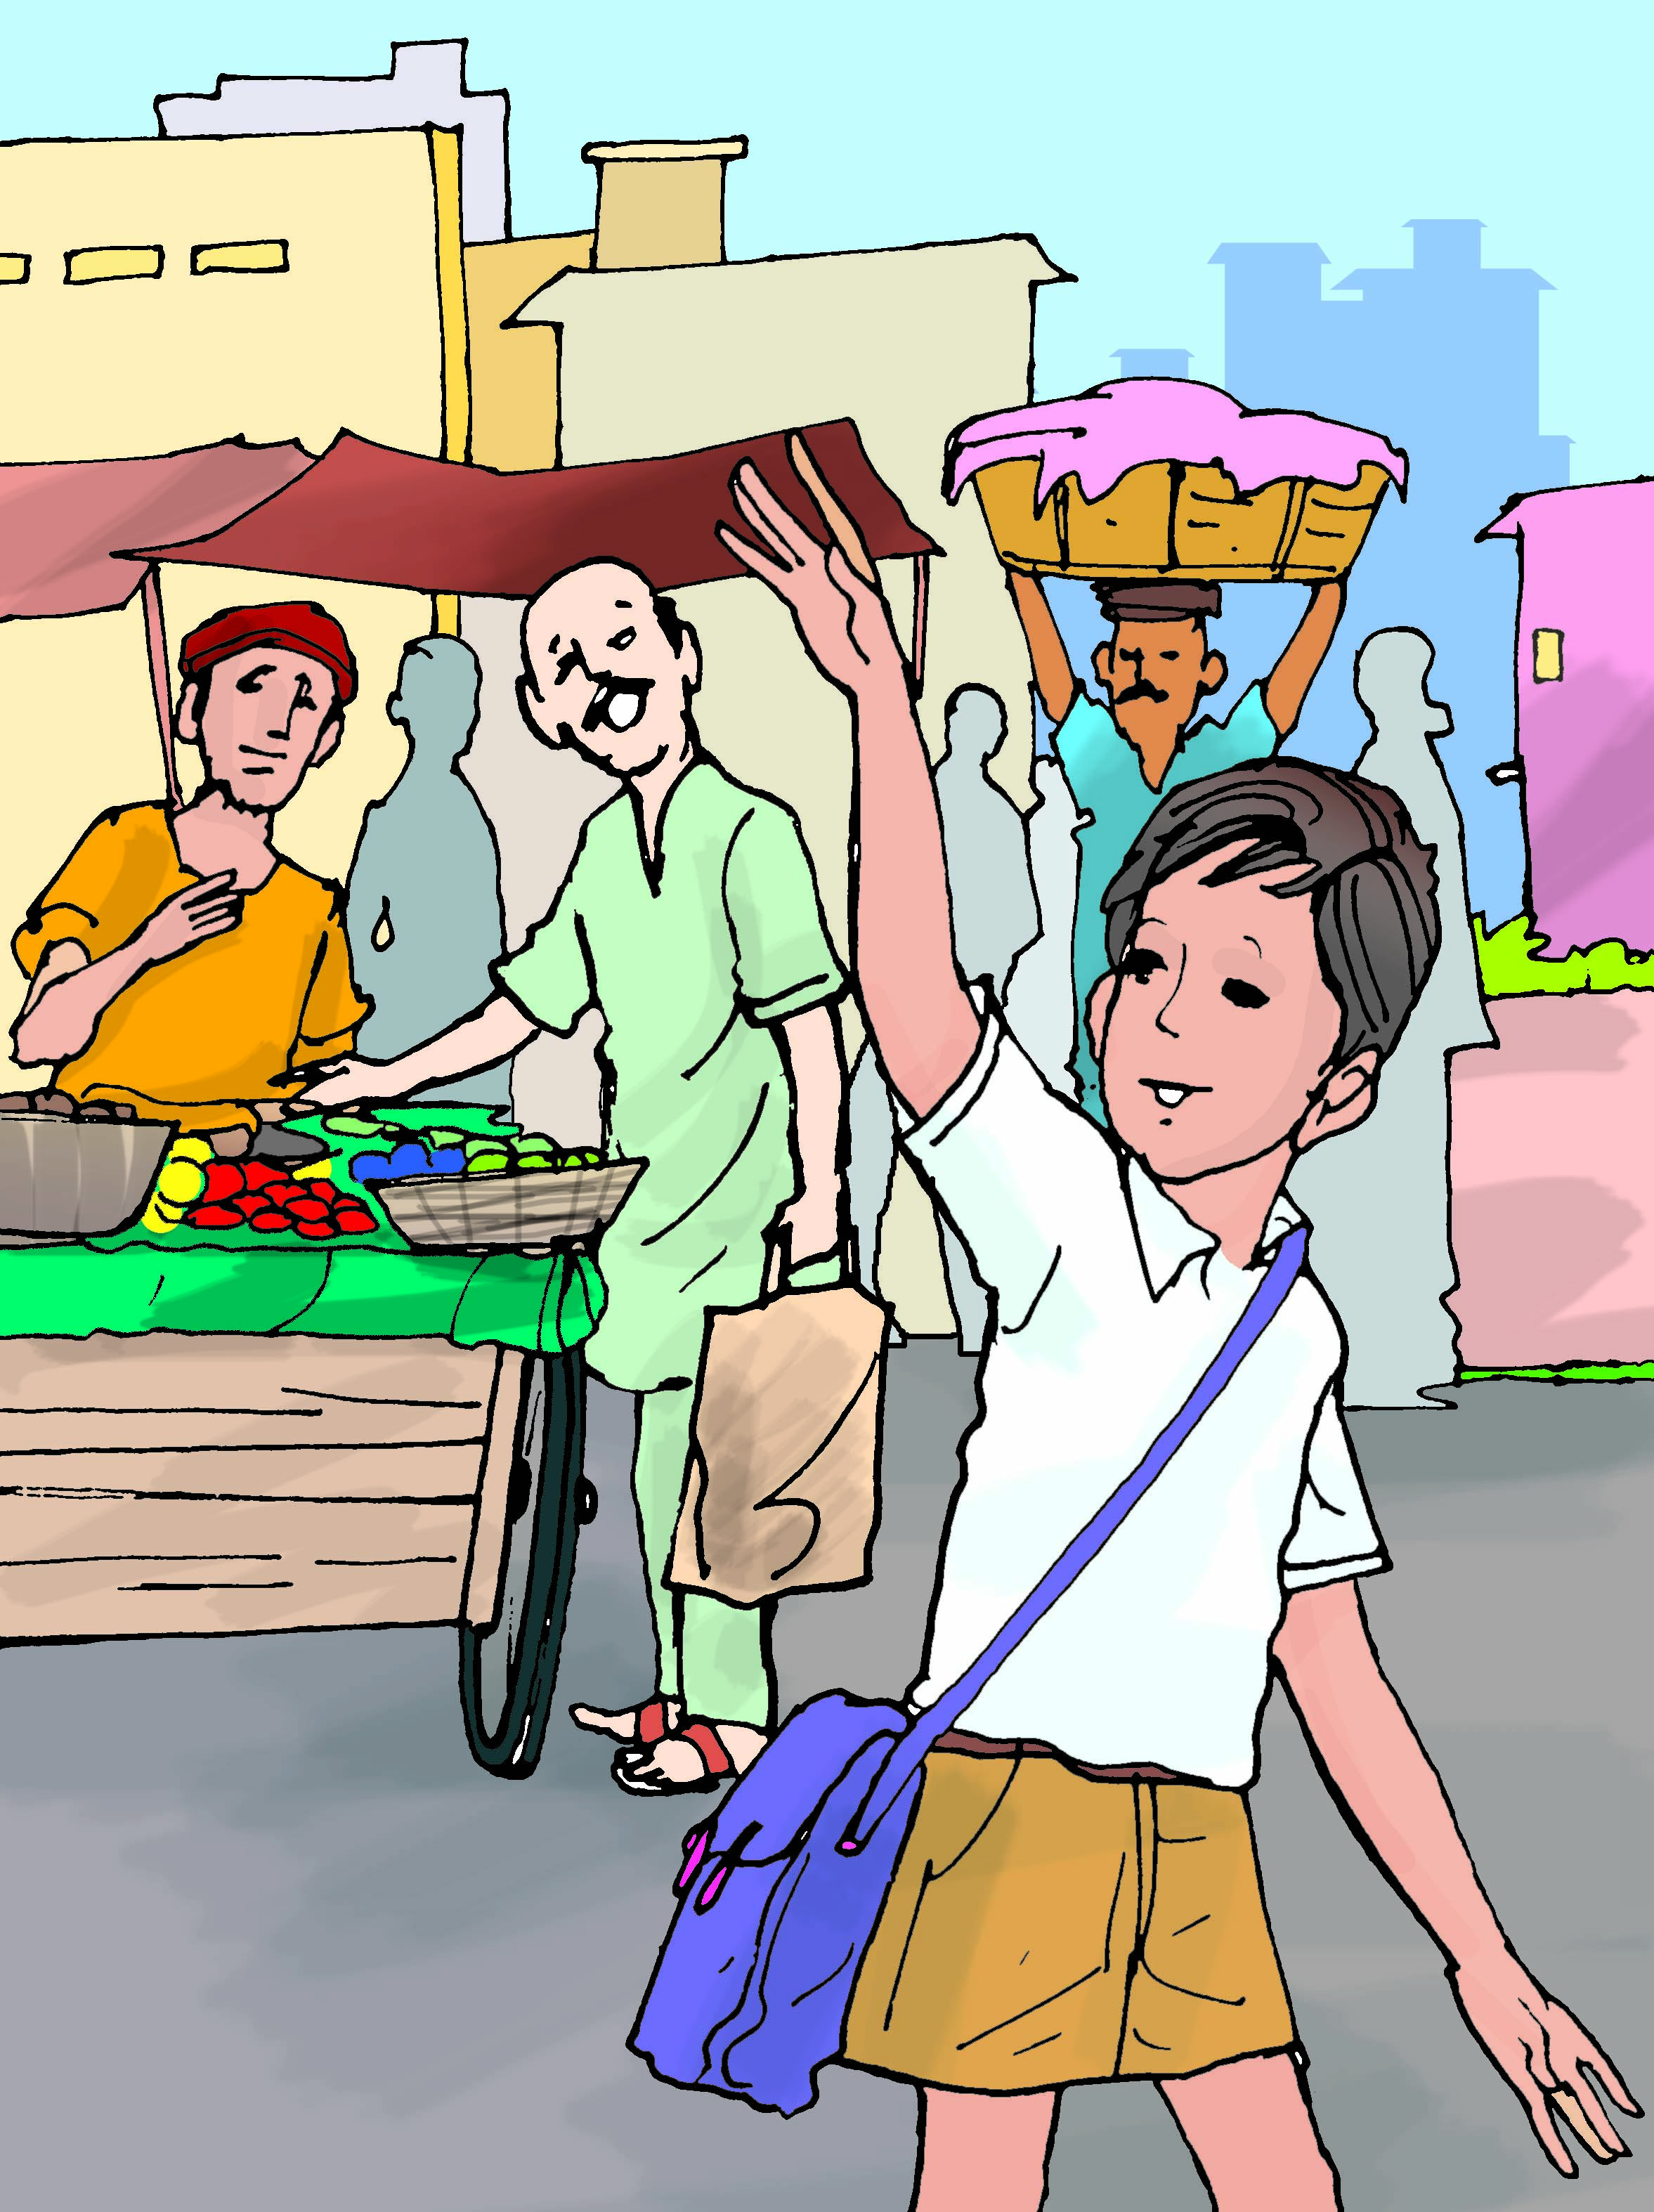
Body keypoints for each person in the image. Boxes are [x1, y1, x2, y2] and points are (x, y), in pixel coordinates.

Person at [713, 455, 1639, 2211]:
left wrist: (1482, 1957)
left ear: (1341, 1083)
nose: (1162, 1019)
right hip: (1011, 1802)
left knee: (1283, 2179)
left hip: (1191, 1821)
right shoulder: (1065, 1213)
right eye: (1144, 963)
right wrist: (873, 701)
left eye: (1238, 987)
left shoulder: (1290, 1330)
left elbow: (1329, 1657)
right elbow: (915, 1000)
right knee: (983, 2184)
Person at [301, 559, 847, 1797]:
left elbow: (810, 1027)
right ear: (546, 715)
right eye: (564, 668)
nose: (601, 680)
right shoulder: (604, 844)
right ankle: (683, 1690)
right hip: (641, 1203)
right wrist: (383, 1075)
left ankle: (732, 1718)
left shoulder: (749, 832)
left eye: (621, 643)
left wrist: (819, 1191)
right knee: (659, 1469)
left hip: (744, 1201)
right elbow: (531, 1002)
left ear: (683, 657)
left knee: (723, 1472)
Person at [12, 602, 368, 1154]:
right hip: (104, 1155)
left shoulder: (312, 905)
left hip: (244, 1168)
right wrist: (149, 945)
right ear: (191, 713)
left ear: (325, 741)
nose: (276, 726)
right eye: (252, 688)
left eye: (304, 704)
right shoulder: (126, 842)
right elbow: (38, 1040)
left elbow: (321, 1078)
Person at [1008, 567, 1346, 1122]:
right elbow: (1055, 683)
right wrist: (1023, 580)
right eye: (1131, 658)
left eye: (1169, 658)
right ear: (1104, 666)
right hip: (1104, 987)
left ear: (1209, 673)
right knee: (1105, 1077)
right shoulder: (1097, 754)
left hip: (1201, 977)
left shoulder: (1223, 759)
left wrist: (1329, 593)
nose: (1146, 675)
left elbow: (1286, 691)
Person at [1289, 628, 1496, 1407]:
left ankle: (1402, 1353)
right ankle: (1385, 1358)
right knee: (1397, 1184)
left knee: (1408, 1185)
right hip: (1400, 1023)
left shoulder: (1398, 772)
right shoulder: (1394, 779)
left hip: (1409, 1020)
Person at [847, 684, 1038, 1354]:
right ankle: (886, 1311)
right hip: (916, 1011)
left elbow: (1014, 924)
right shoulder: (920, 804)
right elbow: (1016, 927)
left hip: (948, 1016)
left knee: (946, 1179)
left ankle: (971, 1324)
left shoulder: (977, 812)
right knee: (880, 1175)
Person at [346, 635, 511, 1109]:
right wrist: (377, 984)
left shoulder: (466, 815)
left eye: (466, 702)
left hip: (471, 1039)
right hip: (400, 1033)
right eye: (444, 702)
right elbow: (359, 922)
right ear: (400, 708)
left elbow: (485, 929)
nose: (463, 717)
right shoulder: (393, 817)